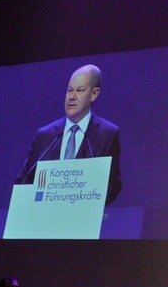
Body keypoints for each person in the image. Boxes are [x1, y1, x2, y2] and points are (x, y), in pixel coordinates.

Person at [15, 64, 121, 205]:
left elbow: (113, 183)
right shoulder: (45, 135)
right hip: (43, 217)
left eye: (80, 90)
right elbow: (24, 180)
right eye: (69, 90)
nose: (72, 96)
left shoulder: (107, 134)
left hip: (82, 219)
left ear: (94, 94)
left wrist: (95, 206)